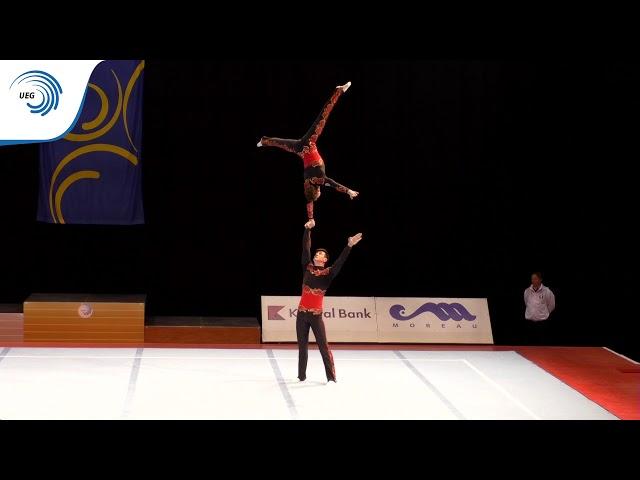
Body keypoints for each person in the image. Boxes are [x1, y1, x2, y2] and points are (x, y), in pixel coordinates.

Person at [257, 82, 359, 224]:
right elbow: (309, 202)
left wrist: (349, 191)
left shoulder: (319, 180)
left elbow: (334, 184)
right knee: (279, 143)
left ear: (316, 190)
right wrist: (311, 218)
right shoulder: (308, 185)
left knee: (323, 116)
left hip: (309, 143)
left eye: (318, 194)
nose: (320, 194)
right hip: (299, 150)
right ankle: (264, 141)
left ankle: (339, 91)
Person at [296, 219, 362, 383]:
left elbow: (340, 262)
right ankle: (301, 376)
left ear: (325, 260)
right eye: (317, 253)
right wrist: (307, 230)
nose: (317, 254)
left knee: (323, 347)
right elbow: (305, 248)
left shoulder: (329, 273)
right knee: (302, 348)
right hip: (301, 315)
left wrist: (349, 246)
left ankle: (331, 378)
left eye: (321, 254)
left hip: (316, 316)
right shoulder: (307, 267)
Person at [523, 272, 556, 345]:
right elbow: (527, 304)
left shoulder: (547, 291)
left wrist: (545, 313)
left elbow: (551, 305)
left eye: (535, 278)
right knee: (530, 345)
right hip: (529, 322)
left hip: (542, 323)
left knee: (541, 345)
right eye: (532, 279)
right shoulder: (527, 291)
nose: (533, 280)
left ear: (540, 279)